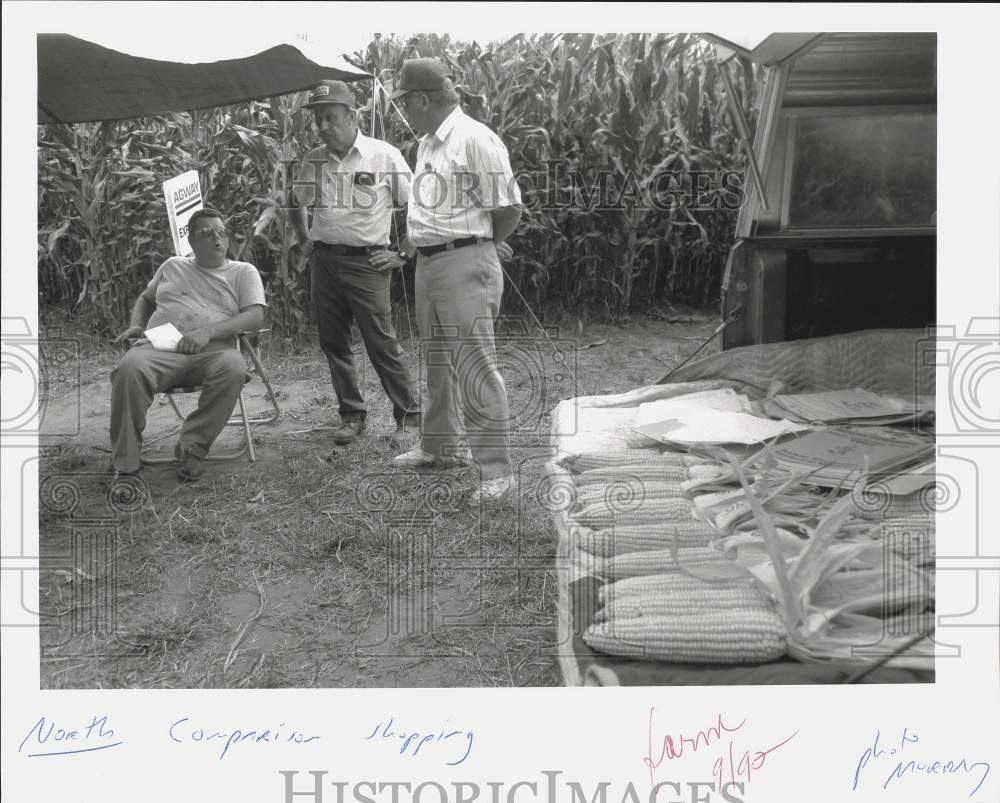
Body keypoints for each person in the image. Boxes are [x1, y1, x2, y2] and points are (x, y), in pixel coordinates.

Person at [382, 58, 522, 503]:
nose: (404, 109)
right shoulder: (428, 144)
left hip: (463, 263)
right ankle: (439, 447)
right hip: (429, 264)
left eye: (406, 101)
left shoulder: (475, 140)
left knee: (474, 365)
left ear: (423, 99)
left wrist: (479, 247)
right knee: (438, 360)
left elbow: (509, 206)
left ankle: (496, 472)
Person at [292, 80, 421, 447]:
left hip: (369, 264)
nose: (323, 127)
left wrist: (402, 253)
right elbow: (297, 201)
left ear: (352, 116)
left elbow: (418, 205)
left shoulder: (383, 156)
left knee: (381, 343)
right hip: (325, 263)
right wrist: (305, 241)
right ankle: (351, 415)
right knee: (333, 342)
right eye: (318, 120)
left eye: (330, 118)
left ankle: (409, 418)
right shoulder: (315, 159)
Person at [110, 207, 267, 481]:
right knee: (129, 369)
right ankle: (126, 464)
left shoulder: (242, 272)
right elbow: (146, 299)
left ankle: (192, 448)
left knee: (234, 367)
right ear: (191, 241)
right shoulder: (172, 265)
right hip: (160, 347)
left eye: (221, 233)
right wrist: (137, 324)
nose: (217, 239)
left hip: (214, 351)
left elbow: (254, 316)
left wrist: (207, 332)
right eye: (207, 234)